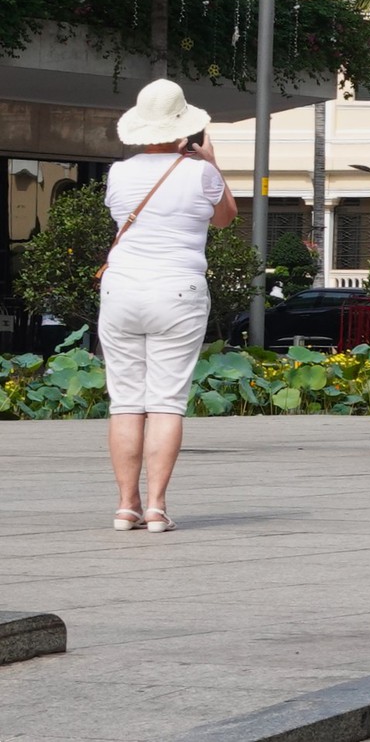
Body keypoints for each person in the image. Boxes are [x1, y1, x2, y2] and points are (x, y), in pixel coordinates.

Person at [98, 79, 237, 534]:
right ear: (186, 127)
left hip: (121, 289)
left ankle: (125, 506)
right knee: (165, 403)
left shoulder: (118, 174)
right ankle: (156, 507)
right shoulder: (200, 172)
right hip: (177, 291)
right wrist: (211, 162)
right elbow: (225, 218)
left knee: (125, 403)